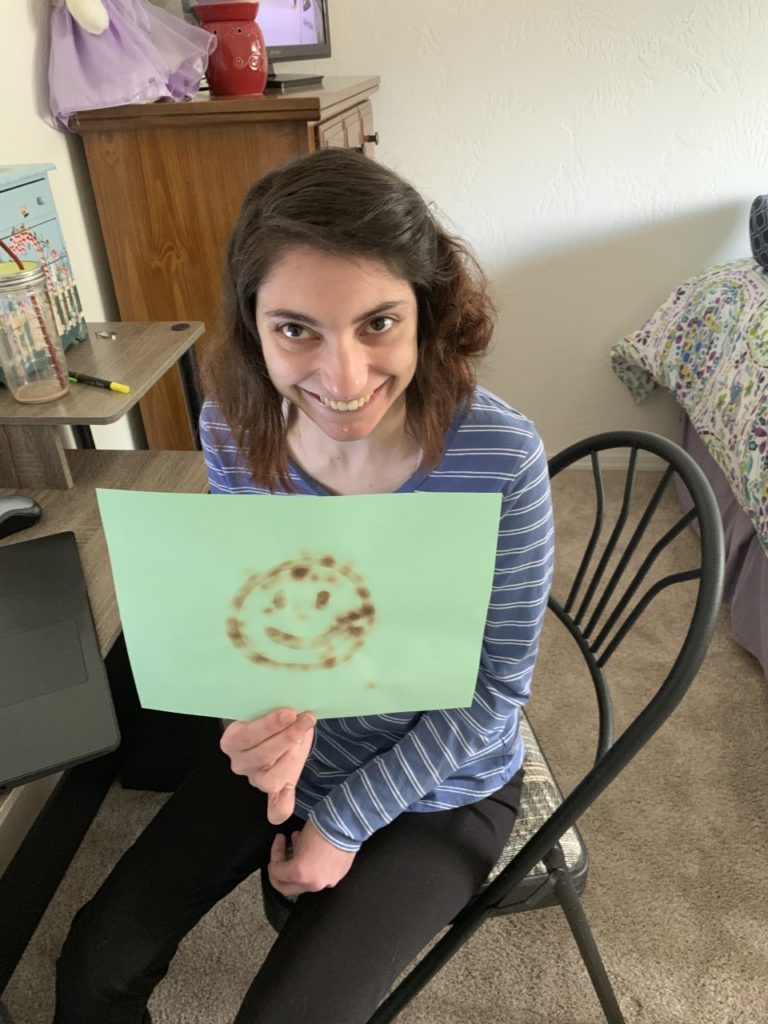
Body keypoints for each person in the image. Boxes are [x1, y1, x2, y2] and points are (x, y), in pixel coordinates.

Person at [53, 148, 554, 1024]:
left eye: (377, 324)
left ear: (427, 311)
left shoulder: (500, 456)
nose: (344, 379)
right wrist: (246, 723)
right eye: (296, 330)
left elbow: (497, 692)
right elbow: (250, 623)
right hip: (296, 739)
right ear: (252, 325)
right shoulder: (233, 428)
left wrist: (342, 822)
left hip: (443, 781)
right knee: (94, 962)